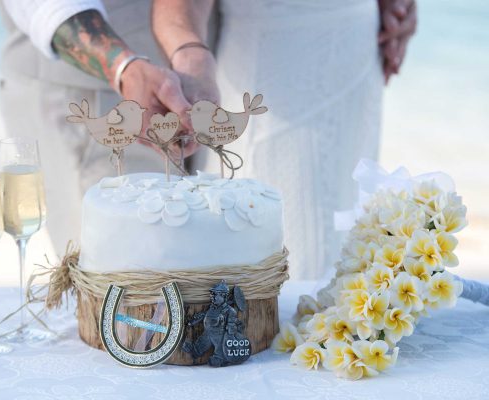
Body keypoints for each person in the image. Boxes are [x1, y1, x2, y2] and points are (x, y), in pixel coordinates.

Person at [152, 0, 417, 279]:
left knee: (349, 248)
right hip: (270, 83)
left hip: (358, 65)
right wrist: (188, 55)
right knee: (280, 257)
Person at [0, 0, 202, 252]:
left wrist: (191, 52)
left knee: (189, 266)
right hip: (91, 104)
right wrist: (126, 70)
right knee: (123, 268)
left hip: (194, 88)